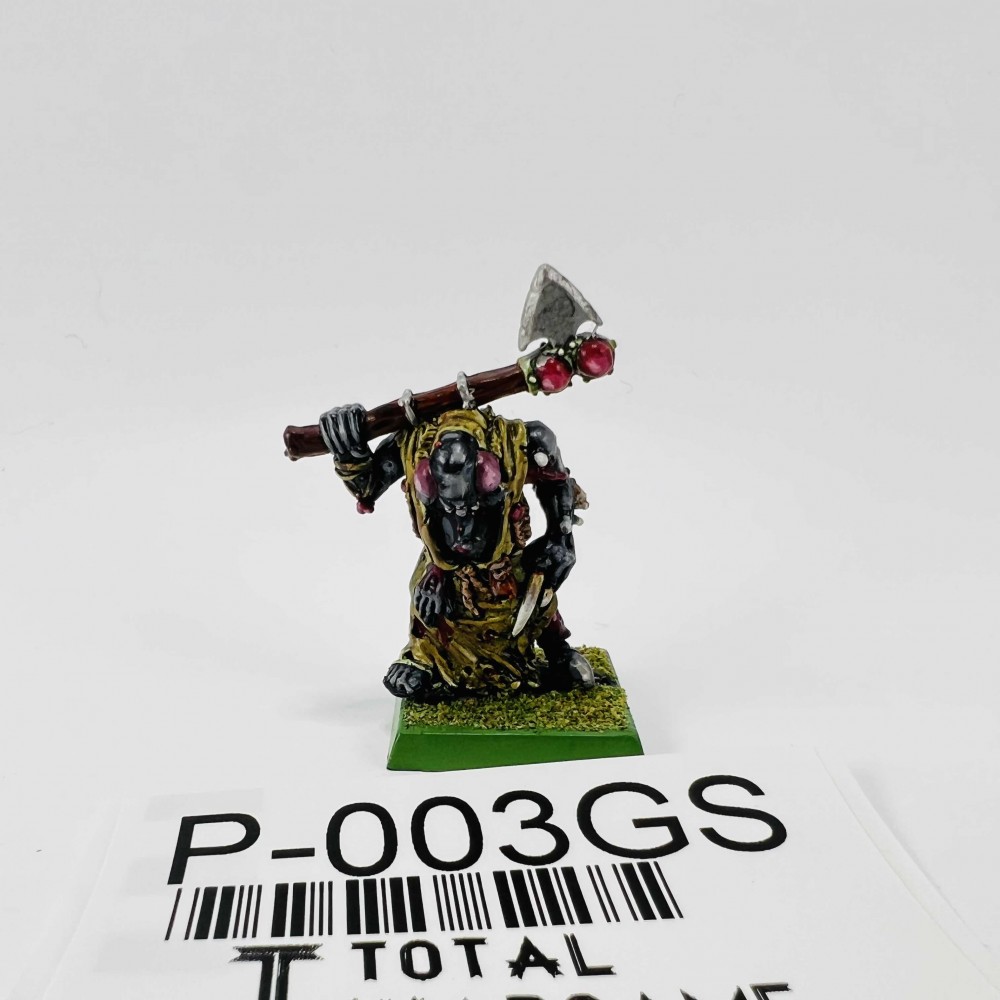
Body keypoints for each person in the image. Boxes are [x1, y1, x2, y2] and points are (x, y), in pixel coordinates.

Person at [319, 403, 595, 701]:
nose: (463, 515)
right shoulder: (410, 446)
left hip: (506, 560)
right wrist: (349, 449)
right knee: (431, 606)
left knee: (535, 592)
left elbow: (557, 482)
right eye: (451, 505)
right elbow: (367, 487)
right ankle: (422, 658)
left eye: (472, 504)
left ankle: (556, 649)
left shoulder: (519, 442)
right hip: (442, 568)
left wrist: (560, 536)